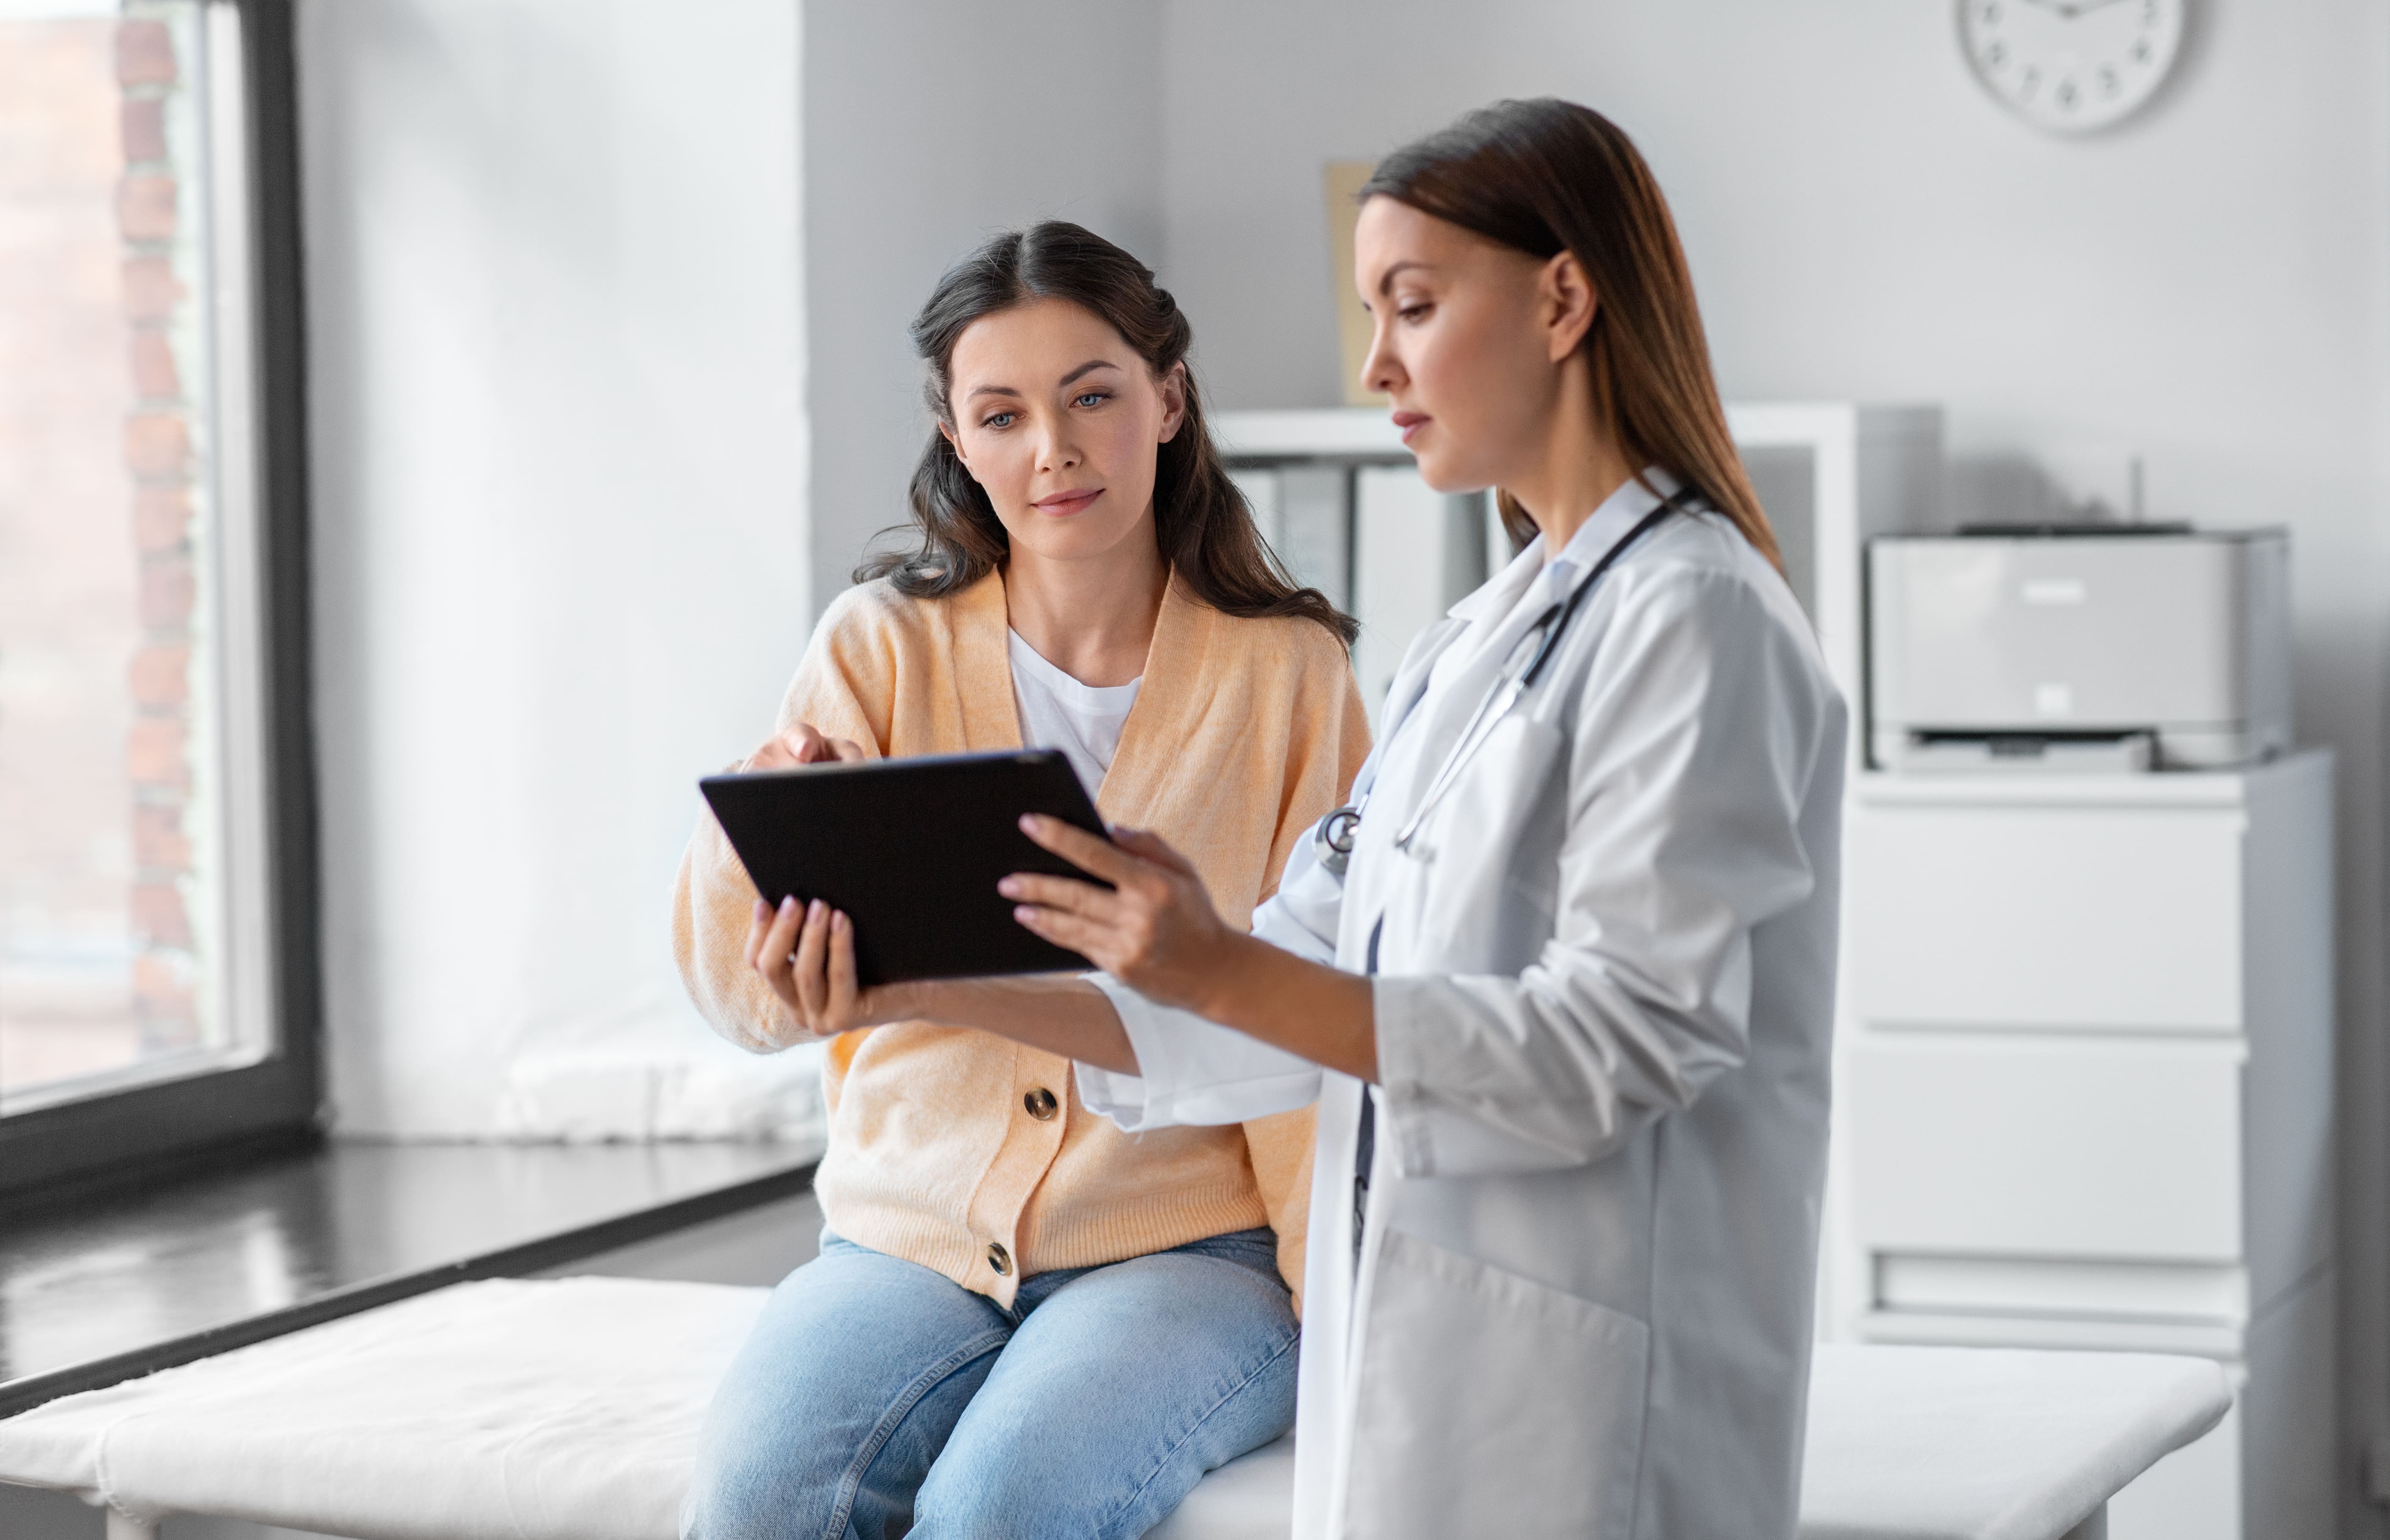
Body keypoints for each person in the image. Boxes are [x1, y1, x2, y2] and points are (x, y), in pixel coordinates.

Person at [769, 100, 1847, 1538]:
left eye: (1411, 305)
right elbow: (1263, 995)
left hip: (1594, 1376)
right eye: (1372, 313)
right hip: (1425, 1342)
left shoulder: (1692, 617)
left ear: (1564, 298)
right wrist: (1022, 969)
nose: (1375, 365)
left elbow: (1626, 1039)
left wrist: (1216, 964)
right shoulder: (1472, 644)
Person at [672, 221, 1369, 1540]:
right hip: (909, 1230)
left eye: (1091, 396)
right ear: (958, 434)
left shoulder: (1290, 675)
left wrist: (1322, 1281)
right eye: (1001, 414)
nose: (1051, 447)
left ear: (1166, 397)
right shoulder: (877, 645)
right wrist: (756, 839)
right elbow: (742, 998)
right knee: (759, 1500)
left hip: (1186, 1248)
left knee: (1002, 1508)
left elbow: (1311, 999)